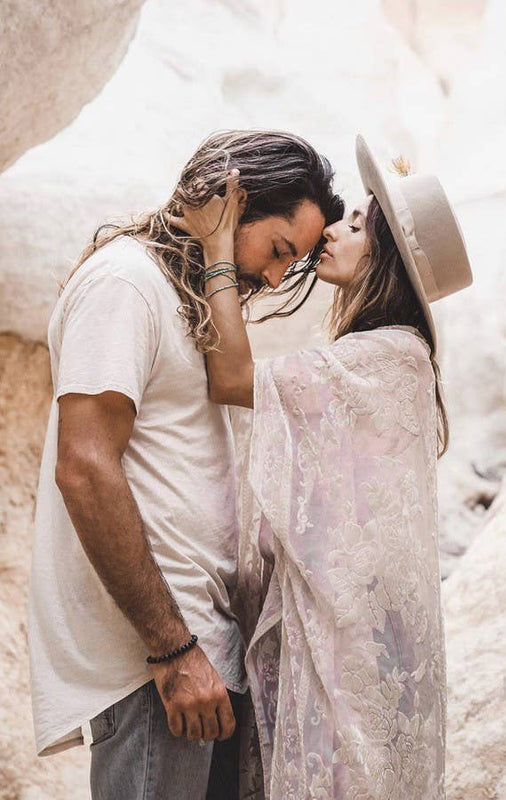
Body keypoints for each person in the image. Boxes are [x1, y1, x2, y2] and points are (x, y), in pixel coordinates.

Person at [27, 129, 343, 800]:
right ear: (232, 204)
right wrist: (172, 650)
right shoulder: (126, 283)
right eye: (278, 250)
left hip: (206, 647)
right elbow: (84, 467)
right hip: (159, 663)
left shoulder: (194, 301)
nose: (276, 278)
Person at [176, 134, 473, 799]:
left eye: (358, 226)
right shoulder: (385, 353)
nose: (334, 231)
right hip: (348, 637)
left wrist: (217, 251)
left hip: (349, 650)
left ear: (388, 258)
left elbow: (232, 379)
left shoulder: (389, 355)